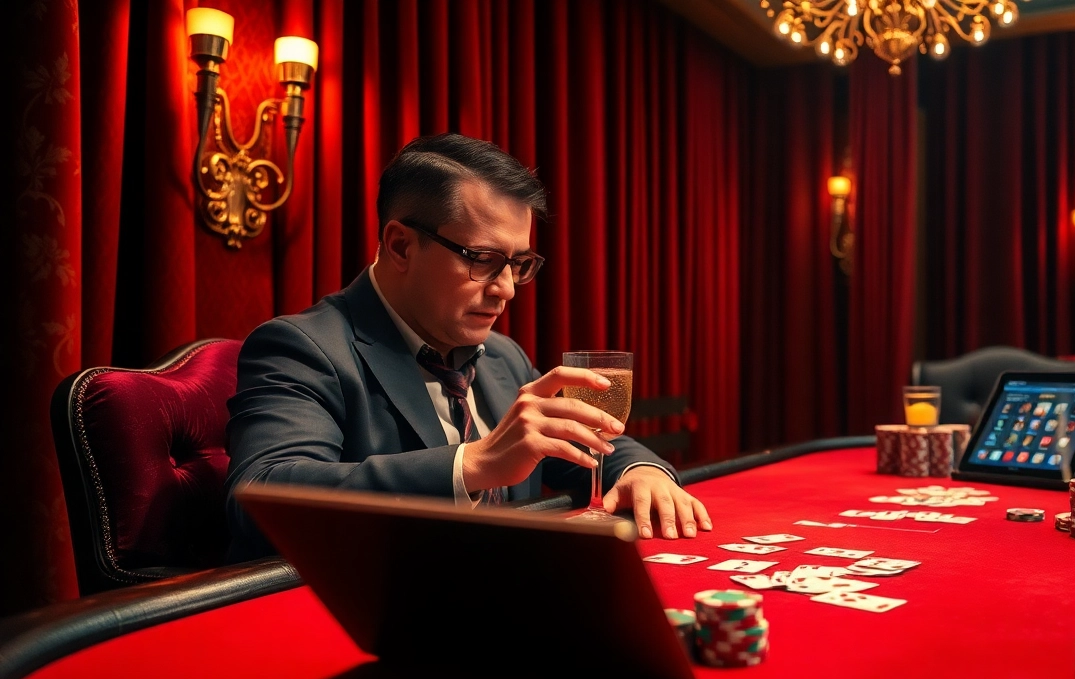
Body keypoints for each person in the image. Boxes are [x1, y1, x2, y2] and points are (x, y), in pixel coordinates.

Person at [223, 133, 710, 562]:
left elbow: (585, 445)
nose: (507, 289)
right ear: (400, 247)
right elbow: (261, 495)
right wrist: (472, 463)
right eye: (483, 259)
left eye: (518, 264)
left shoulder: (502, 356)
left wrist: (643, 471)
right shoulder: (302, 346)